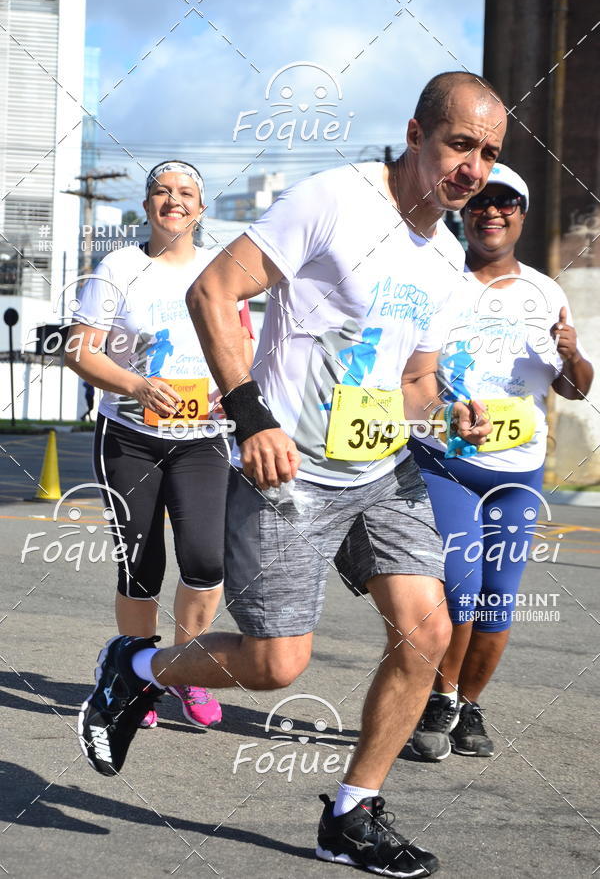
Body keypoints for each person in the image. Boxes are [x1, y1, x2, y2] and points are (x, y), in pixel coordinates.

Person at [78, 72, 506, 878]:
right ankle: (133, 667)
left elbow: (413, 383)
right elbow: (214, 288)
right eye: (459, 144)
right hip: (291, 468)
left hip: (381, 469)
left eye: (488, 153)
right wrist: (252, 417)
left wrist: (449, 411)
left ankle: (352, 815)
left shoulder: (447, 258)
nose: (473, 168)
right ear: (416, 135)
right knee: (276, 666)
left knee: (430, 630)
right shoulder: (334, 200)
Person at [410, 163, 593, 762]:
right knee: (460, 592)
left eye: (506, 202)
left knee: (496, 602)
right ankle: (440, 697)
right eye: (481, 202)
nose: (492, 211)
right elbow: (408, 370)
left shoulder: (547, 291)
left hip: (518, 471)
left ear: (522, 212)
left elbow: (575, 387)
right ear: (464, 212)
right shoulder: (436, 280)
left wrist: (571, 355)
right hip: (446, 461)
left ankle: (468, 702)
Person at [66, 160, 253, 731]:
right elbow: (79, 349)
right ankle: (135, 674)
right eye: (161, 192)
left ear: (201, 208)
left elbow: (243, 343)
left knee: (203, 559)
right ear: (146, 207)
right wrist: (137, 385)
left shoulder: (222, 270)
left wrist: (235, 394)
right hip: (130, 437)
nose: (173, 200)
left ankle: (183, 670)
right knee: (141, 563)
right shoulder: (119, 267)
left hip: (203, 439)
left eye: (186, 193)